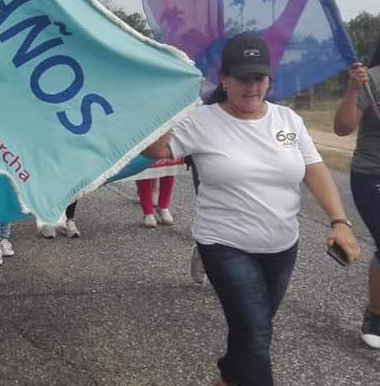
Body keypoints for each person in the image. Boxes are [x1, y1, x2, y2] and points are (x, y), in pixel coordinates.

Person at [143, 33, 360, 386]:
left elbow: (315, 170)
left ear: (269, 80)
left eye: (258, 78)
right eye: (242, 78)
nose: (251, 86)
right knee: (255, 335)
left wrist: (340, 221)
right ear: (224, 79)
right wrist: (165, 103)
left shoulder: (288, 120)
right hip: (224, 245)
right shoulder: (202, 120)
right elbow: (156, 150)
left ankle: (228, 379)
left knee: (253, 331)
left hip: (281, 246)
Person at [333, 50, 380, 349]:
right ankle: (375, 315)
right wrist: (352, 89)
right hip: (371, 173)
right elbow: (342, 128)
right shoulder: (371, 78)